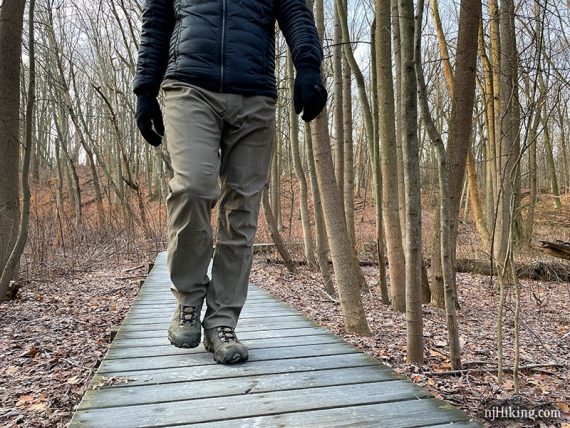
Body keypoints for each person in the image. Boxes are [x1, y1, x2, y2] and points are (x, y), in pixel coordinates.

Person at [133, 0, 326, 364]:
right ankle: (188, 300)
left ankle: (221, 321)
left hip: (254, 92)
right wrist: (145, 89)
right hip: (190, 85)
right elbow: (156, 22)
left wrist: (308, 66)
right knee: (192, 187)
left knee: (242, 210)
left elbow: (296, 12)